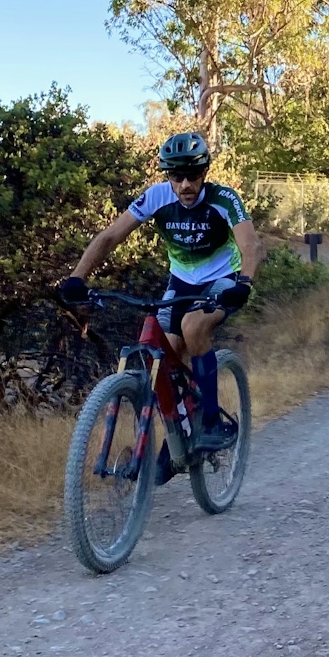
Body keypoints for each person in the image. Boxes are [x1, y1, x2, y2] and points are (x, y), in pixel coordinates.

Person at [64, 132, 259, 457]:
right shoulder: (156, 197)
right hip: (181, 282)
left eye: (192, 175)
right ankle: (180, 439)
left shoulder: (224, 198)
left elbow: (251, 245)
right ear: (167, 175)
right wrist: (77, 277)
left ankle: (210, 422)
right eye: (176, 176)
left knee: (194, 328)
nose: (185, 184)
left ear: (205, 173)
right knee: (162, 356)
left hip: (222, 279)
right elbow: (110, 237)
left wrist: (246, 283)